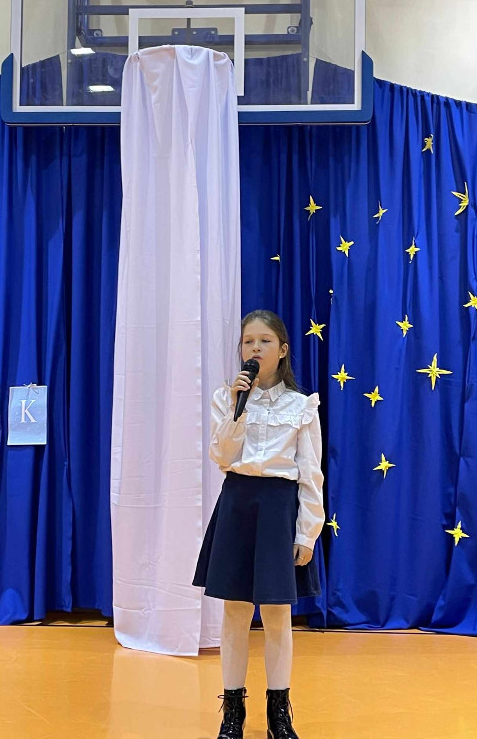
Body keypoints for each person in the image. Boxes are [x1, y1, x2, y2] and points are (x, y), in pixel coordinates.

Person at [193, 309, 325, 739]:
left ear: (282, 350)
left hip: (278, 509)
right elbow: (222, 457)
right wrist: (238, 408)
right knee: (234, 611)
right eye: (248, 341)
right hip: (237, 503)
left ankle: (278, 713)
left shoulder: (302, 406)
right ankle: (233, 711)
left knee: (277, 613)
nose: (255, 348)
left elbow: (311, 474)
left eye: (265, 341)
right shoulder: (226, 398)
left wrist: (307, 532)